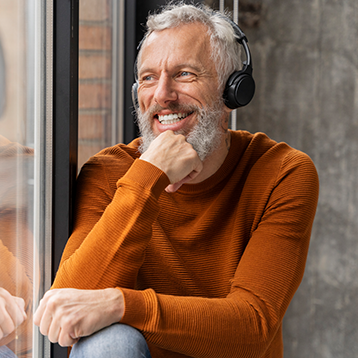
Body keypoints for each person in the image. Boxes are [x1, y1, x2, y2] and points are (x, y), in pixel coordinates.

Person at [34, 3, 319, 358]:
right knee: (110, 344)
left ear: (233, 91)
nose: (162, 95)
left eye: (185, 74)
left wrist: (123, 305)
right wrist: (148, 177)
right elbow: (66, 308)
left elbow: (253, 324)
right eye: (149, 77)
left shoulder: (282, 172)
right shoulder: (109, 172)